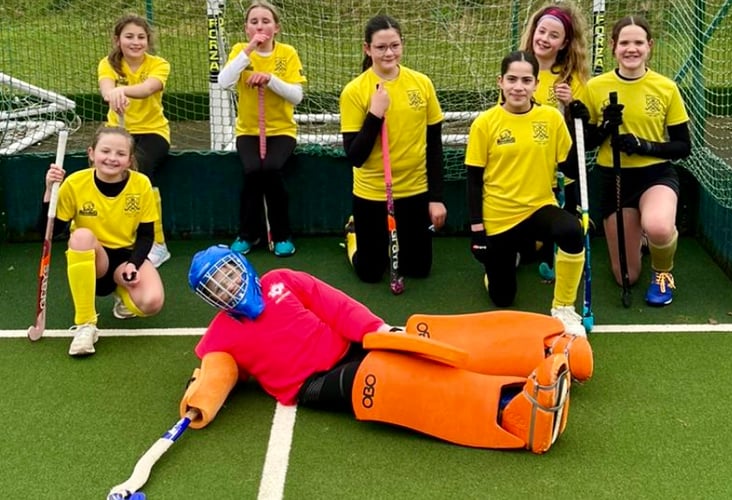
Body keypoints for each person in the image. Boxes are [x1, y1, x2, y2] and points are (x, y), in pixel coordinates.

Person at [179, 245, 593, 453]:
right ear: (210, 298)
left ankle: (546, 349)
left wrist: (378, 329)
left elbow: (336, 305)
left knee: (419, 338)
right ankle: (515, 410)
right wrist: (200, 401)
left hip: (349, 346)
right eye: (216, 287)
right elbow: (216, 372)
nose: (229, 288)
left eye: (229, 276)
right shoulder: (221, 334)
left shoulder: (282, 279)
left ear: (241, 268)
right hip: (314, 383)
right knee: (393, 378)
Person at [465, 50, 586, 336]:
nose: (518, 86)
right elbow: (473, 180)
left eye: (526, 80)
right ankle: (498, 267)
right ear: (501, 82)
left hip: (538, 207)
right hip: (499, 216)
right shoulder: (485, 123)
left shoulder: (550, 118)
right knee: (503, 298)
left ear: (535, 84)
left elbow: (570, 166)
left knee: (571, 230)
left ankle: (564, 308)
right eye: (512, 79)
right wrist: (477, 231)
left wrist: (574, 119)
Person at [583, 15, 691, 306]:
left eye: (639, 42)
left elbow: (683, 147)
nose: (632, 49)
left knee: (658, 226)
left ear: (649, 46)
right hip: (615, 178)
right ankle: (642, 239)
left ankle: (663, 271)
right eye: (625, 43)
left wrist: (643, 145)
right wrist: (606, 127)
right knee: (626, 276)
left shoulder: (666, 87)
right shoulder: (595, 87)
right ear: (613, 46)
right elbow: (587, 142)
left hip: (655, 176)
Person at [339, 14, 446, 283]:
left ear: (402, 44)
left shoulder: (422, 84)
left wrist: (435, 197)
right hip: (373, 192)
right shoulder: (354, 91)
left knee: (419, 270)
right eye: (381, 47)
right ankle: (354, 234)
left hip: (414, 189)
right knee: (370, 273)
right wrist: (375, 114)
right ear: (367, 49)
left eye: (395, 45)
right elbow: (355, 157)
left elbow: (434, 145)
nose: (389, 53)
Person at [40, 127, 165, 356]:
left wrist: (133, 264)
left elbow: (147, 235)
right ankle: (86, 325)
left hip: (124, 256)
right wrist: (49, 190)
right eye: (105, 151)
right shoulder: (76, 183)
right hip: (93, 257)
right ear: (91, 153)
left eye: (120, 154)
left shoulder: (141, 184)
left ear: (129, 160)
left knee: (151, 302)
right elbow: (49, 231)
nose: (112, 158)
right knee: (81, 236)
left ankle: (121, 295)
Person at [218, 0, 306, 257]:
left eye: (266, 21)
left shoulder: (287, 53)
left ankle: (282, 234)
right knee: (253, 170)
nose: (260, 26)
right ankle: (248, 233)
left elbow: (296, 96)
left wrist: (270, 79)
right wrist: (248, 51)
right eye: (254, 22)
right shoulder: (240, 51)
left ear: (276, 27)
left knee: (271, 168)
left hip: (281, 131)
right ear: (246, 28)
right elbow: (224, 82)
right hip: (248, 131)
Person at [518, 2, 590, 272]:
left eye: (553, 35)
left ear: (564, 43)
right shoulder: (519, 71)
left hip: (560, 174)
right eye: (542, 31)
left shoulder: (572, 80)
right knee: (525, 245)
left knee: (561, 229)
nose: (544, 39)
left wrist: (572, 107)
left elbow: (581, 134)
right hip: (524, 170)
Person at [98, 14, 172, 268]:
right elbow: (106, 90)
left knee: (140, 169)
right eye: (129, 36)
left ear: (148, 41)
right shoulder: (107, 64)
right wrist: (113, 93)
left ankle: (158, 243)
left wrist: (122, 90)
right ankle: (113, 235)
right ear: (117, 40)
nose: (135, 42)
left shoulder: (158, 64)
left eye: (141, 37)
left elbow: (148, 89)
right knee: (105, 172)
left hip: (153, 131)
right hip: (117, 132)